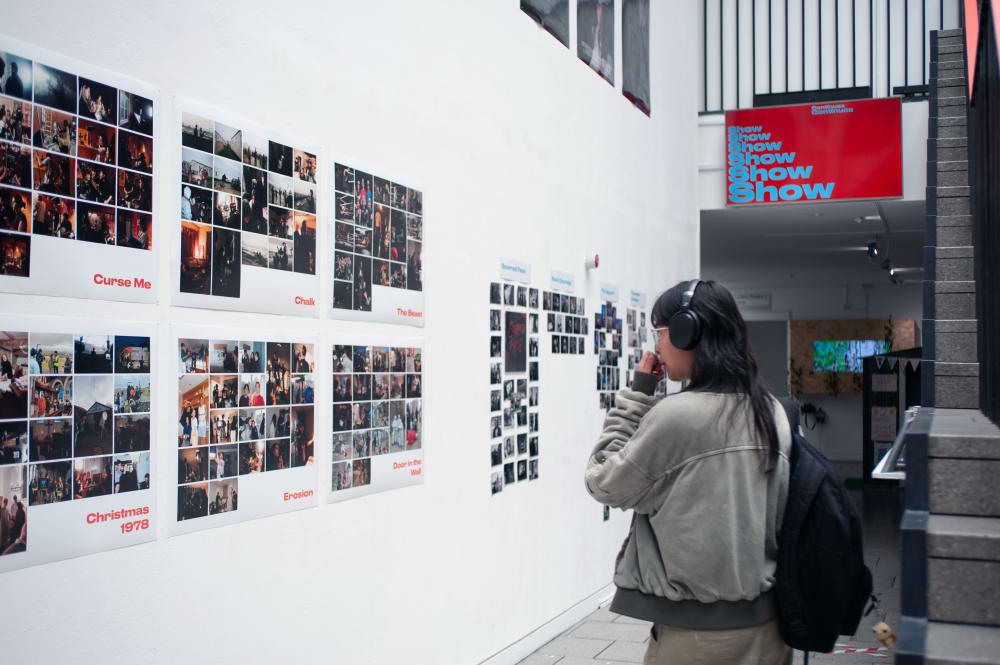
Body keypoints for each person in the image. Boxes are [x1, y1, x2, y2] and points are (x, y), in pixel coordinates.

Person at [584, 280, 792, 665]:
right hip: (769, 628)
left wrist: (640, 392)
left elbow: (602, 480)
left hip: (699, 639)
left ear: (687, 331)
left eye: (660, 333)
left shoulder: (678, 416)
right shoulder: (770, 410)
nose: (657, 346)